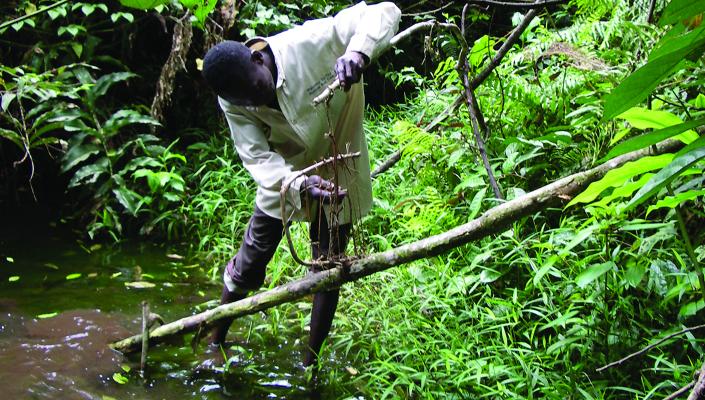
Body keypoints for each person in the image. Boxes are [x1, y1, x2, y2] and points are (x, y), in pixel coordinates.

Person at [201, 2, 401, 368]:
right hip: (285, 174)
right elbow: (257, 157)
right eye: (244, 102)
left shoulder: (310, 41)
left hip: (340, 157)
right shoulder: (233, 98)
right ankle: (216, 341)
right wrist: (296, 183)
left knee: (327, 266)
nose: (255, 103)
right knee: (249, 262)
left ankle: (311, 362)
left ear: (257, 60)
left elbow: (385, 10)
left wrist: (358, 52)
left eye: (256, 91)